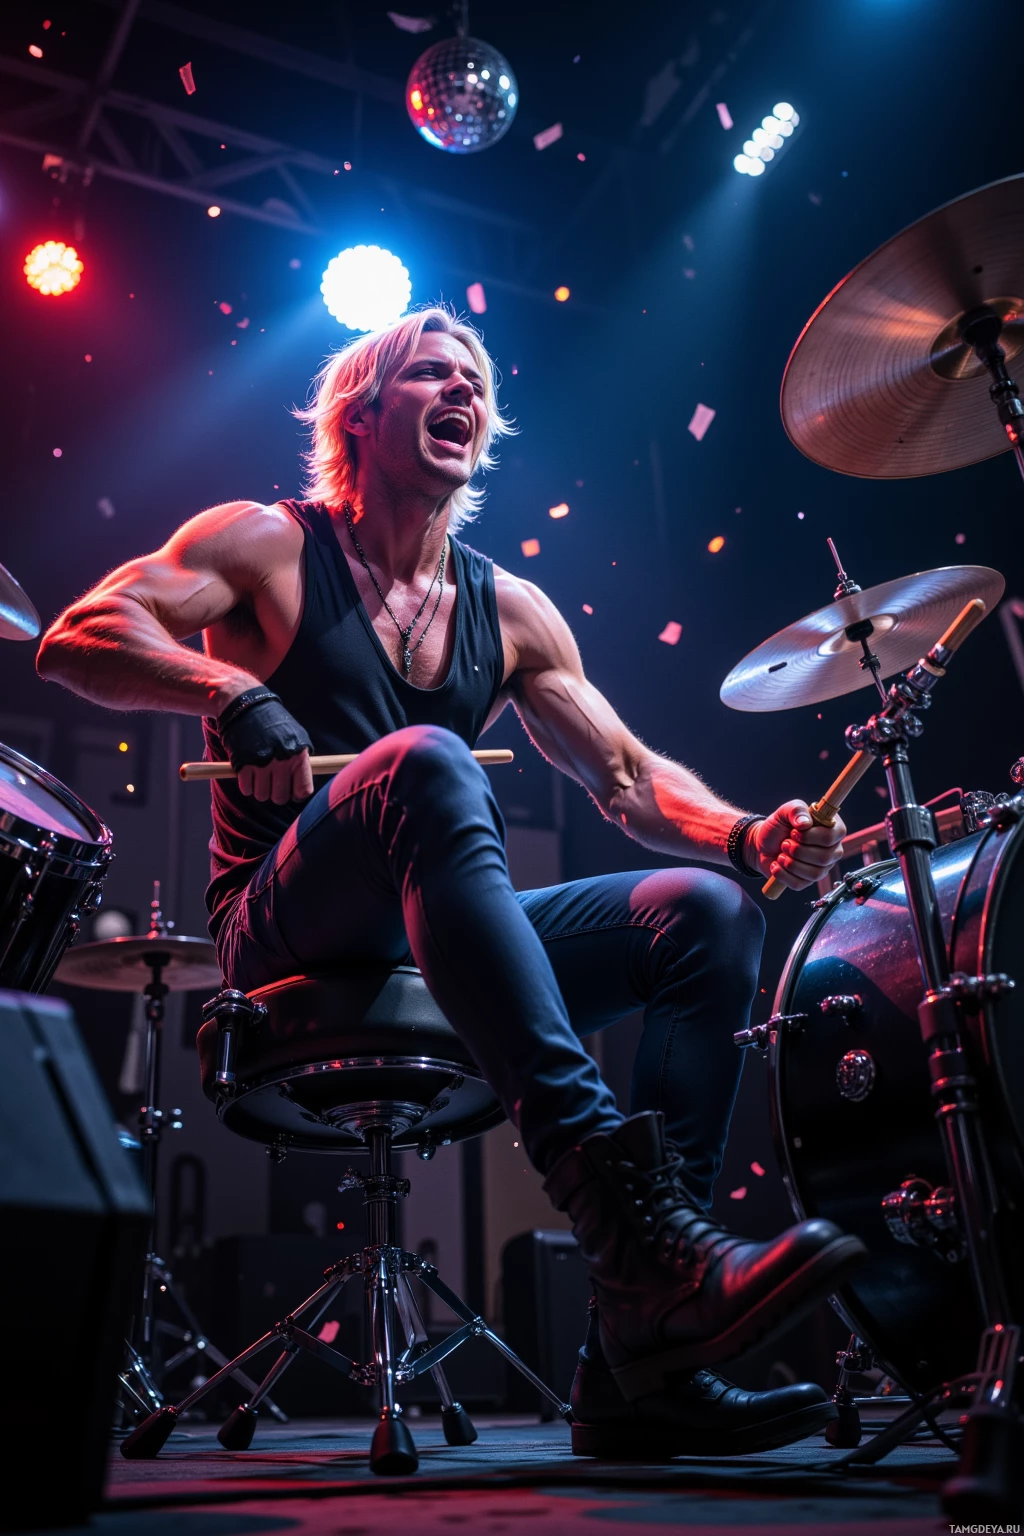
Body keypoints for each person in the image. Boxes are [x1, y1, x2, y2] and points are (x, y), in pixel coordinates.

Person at [38, 305, 863, 1459]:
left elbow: (624, 776)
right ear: (362, 414)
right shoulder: (263, 543)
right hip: (282, 930)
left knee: (702, 913)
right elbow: (80, 631)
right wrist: (225, 691)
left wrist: (739, 837)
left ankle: (640, 1349)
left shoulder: (508, 607)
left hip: (437, 937)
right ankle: (633, 1231)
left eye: (474, 378)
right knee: (423, 762)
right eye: (432, 373)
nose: (462, 392)